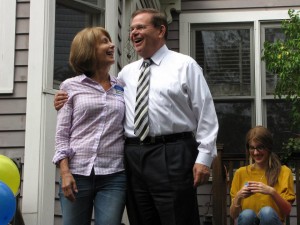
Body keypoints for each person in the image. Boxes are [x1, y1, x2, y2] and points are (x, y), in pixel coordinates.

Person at [54, 8, 218, 225]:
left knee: (178, 217)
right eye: (131, 29)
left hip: (173, 152)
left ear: (161, 30)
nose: (133, 33)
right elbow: (101, 103)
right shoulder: (125, 74)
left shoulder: (184, 65)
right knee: (140, 217)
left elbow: (206, 113)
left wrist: (204, 158)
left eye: (140, 27)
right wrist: (64, 101)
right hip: (132, 156)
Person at [52, 27, 126, 225]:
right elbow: (62, 135)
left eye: (110, 41)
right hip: (77, 173)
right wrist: (65, 172)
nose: (111, 45)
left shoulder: (122, 86)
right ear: (88, 50)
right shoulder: (70, 86)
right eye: (104, 41)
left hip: (114, 174)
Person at [230, 126, 295, 225]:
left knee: (267, 212)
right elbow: (233, 215)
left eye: (260, 147)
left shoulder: (284, 172)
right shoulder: (240, 173)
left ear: (268, 147)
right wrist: (238, 196)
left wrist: (272, 192)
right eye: (252, 148)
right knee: (247, 214)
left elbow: (287, 211)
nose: (255, 153)